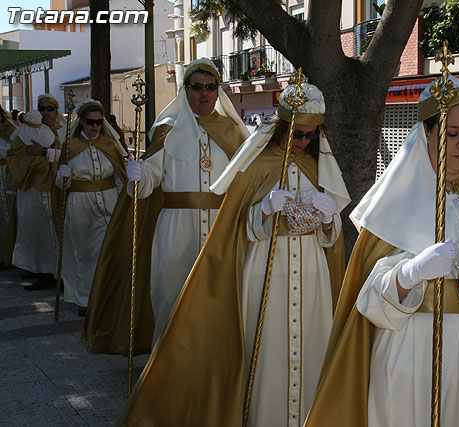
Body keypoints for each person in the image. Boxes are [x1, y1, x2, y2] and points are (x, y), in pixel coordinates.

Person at [305, 77, 459, 427]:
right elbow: (367, 301)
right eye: (452, 132)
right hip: (417, 357)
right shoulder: (395, 205)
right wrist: (409, 274)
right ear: (426, 132)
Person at [117, 82, 350, 426]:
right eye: (297, 134)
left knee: (312, 345)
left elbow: (331, 241)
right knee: (268, 350)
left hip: (312, 271)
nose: (302, 142)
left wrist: (330, 221)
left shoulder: (318, 168)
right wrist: (265, 211)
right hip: (265, 272)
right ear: (282, 129)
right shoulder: (256, 166)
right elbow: (240, 228)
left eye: (311, 136)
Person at [83, 58, 249, 354]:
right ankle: (167, 366)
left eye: (210, 88)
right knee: (171, 296)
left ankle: (211, 370)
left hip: (220, 228)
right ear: (185, 91)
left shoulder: (233, 131)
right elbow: (152, 175)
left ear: (217, 91)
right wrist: (139, 175)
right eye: (197, 87)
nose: (204, 94)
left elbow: (249, 180)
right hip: (175, 228)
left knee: (219, 299)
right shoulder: (167, 129)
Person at [55, 100, 127, 316]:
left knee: (109, 250)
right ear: (82, 122)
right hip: (81, 204)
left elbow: (119, 176)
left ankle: (108, 296)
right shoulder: (70, 146)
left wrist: (129, 194)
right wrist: (62, 177)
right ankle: (85, 299)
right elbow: (60, 185)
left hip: (109, 201)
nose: (94, 126)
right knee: (85, 254)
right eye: (90, 122)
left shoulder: (110, 145)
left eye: (98, 122)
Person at [7, 94, 64, 290]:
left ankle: (53, 272)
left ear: (56, 111)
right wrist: (29, 164)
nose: (46, 112)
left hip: (53, 189)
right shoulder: (25, 132)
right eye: (42, 108)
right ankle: (37, 267)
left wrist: (43, 153)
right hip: (29, 187)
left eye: (50, 108)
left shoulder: (63, 132)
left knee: (50, 231)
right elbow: (14, 155)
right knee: (31, 229)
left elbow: (67, 156)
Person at [0, 108, 16, 269]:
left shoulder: (11, 130)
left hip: (6, 172)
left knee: (8, 214)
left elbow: (15, 149)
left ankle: (9, 254)